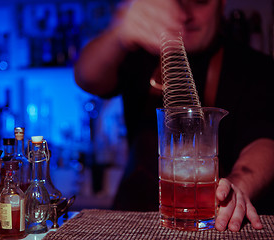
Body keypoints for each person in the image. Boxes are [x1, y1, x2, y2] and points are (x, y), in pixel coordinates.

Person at [74, 0, 274, 232]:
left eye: (200, 2)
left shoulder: (254, 67)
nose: (185, 16)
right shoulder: (140, 55)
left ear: (221, 4)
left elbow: (265, 140)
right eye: (177, 2)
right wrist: (120, 34)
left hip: (213, 220)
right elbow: (86, 76)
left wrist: (237, 186)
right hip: (133, 221)